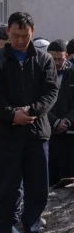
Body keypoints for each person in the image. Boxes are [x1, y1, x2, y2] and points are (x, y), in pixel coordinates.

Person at [0, 12, 58, 233]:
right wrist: (11, 115)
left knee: (37, 190)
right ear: (8, 32)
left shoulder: (44, 59)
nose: (19, 40)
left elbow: (50, 93)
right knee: (5, 190)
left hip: (36, 134)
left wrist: (31, 111)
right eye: (15, 35)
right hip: (5, 134)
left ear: (32, 32)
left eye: (24, 36)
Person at [48, 40, 74, 184]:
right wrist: (54, 121)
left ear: (67, 57)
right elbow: (37, 102)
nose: (57, 63)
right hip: (48, 133)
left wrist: (67, 121)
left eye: (61, 59)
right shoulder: (40, 74)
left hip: (69, 134)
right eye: (54, 59)